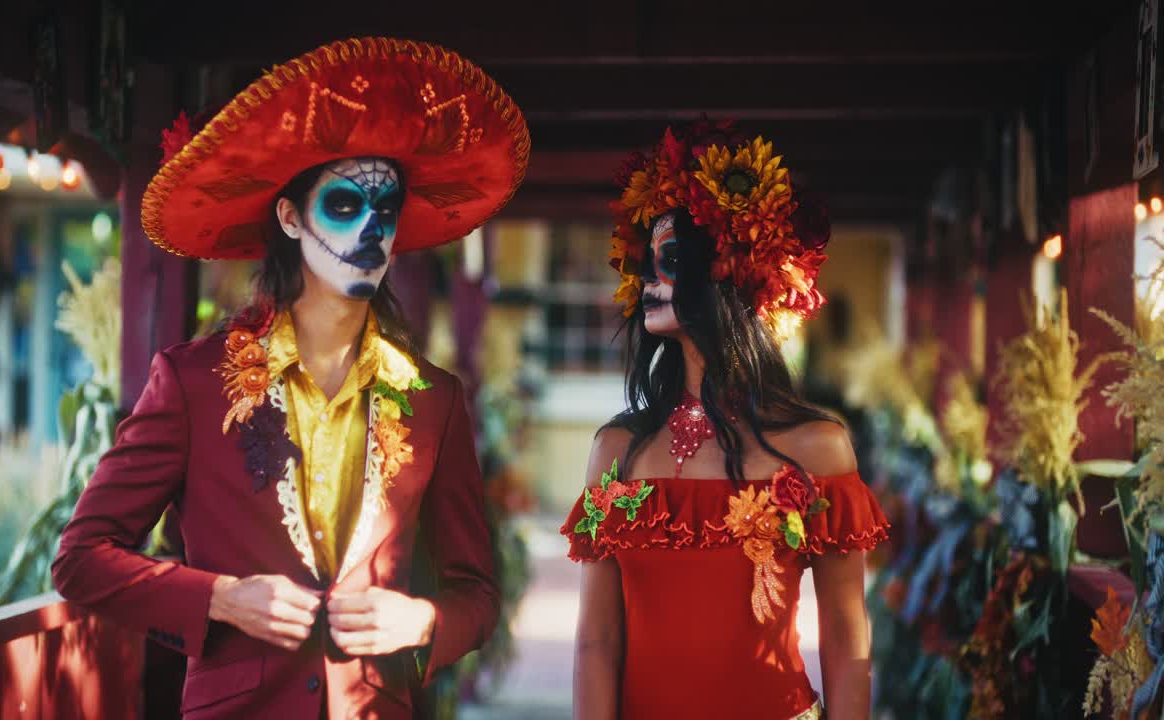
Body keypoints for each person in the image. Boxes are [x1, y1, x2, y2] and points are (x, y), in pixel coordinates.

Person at [53, 37, 529, 719]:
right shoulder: (191, 382)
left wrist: (421, 623)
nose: (373, 230)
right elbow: (81, 558)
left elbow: (478, 596)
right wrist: (217, 598)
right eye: (344, 206)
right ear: (289, 216)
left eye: (387, 210)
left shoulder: (435, 401)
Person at [564, 118, 889, 720]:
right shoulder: (617, 451)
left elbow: (848, 643)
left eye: (667, 259)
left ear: (725, 270)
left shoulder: (818, 448)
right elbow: (596, 642)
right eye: (644, 262)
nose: (645, 279)